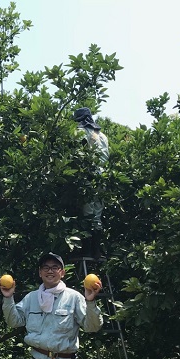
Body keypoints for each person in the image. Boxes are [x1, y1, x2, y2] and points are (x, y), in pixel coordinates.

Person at [73, 107, 109, 260]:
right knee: (97, 214)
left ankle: (87, 250)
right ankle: (96, 250)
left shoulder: (81, 132)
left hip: (89, 176)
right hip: (103, 178)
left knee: (87, 213)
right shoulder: (103, 136)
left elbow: (77, 155)